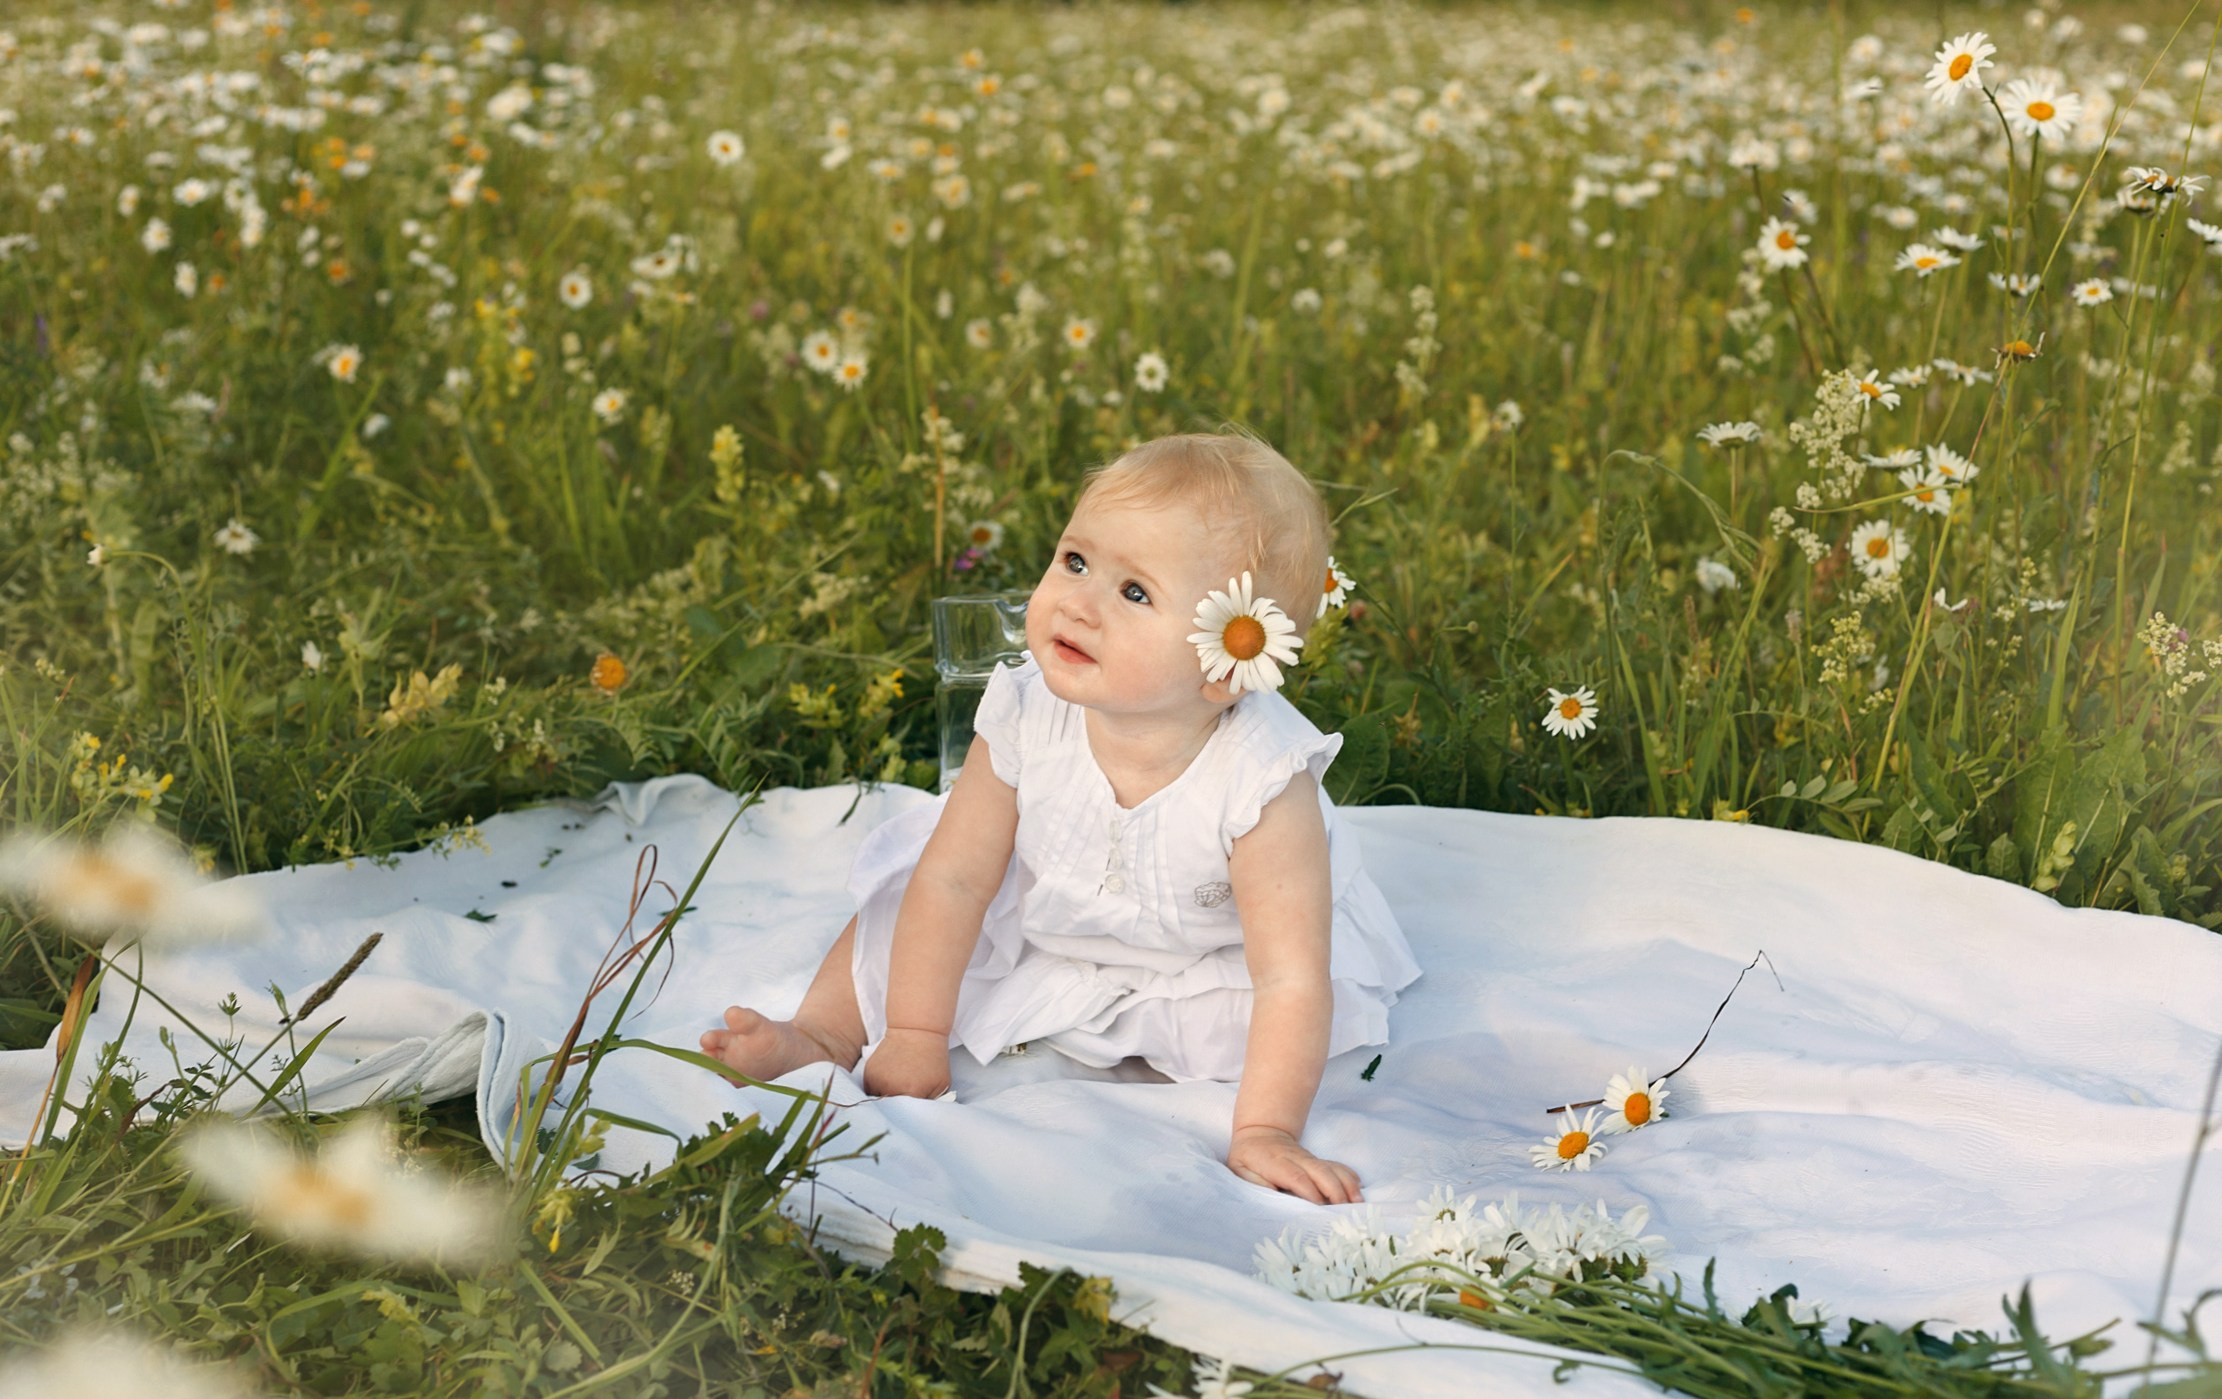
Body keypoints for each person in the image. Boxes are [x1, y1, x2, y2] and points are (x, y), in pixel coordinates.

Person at [701, 432, 1421, 1205]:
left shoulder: (1261, 779)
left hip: (1201, 959)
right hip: (1051, 907)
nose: (1077, 602)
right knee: (905, 898)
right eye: (1075, 561)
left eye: (1134, 592)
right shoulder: (1025, 711)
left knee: (1259, 1026)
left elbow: (1288, 974)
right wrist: (914, 1035)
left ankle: (1240, 1106)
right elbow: (955, 879)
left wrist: (1265, 1128)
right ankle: (822, 1034)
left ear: (1226, 664)